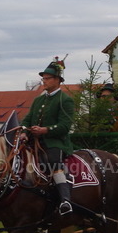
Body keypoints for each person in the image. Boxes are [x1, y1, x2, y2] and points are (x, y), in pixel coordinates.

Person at [23, 57, 75, 215]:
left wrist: (45, 130)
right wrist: (24, 132)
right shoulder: (38, 100)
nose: (43, 81)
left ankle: (66, 201)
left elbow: (65, 126)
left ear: (57, 80)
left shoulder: (65, 100)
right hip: (34, 141)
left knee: (54, 163)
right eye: (43, 78)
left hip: (55, 142)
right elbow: (27, 119)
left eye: (47, 78)